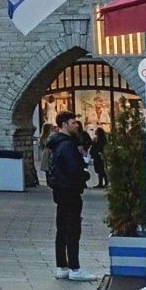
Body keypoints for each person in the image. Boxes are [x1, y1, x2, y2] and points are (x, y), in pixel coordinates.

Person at [48, 111, 93, 280]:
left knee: (62, 229)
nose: (76, 125)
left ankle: (62, 266)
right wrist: (85, 175)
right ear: (64, 125)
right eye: (73, 123)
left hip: (60, 190)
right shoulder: (67, 145)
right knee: (72, 229)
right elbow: (74, 169)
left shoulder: (58, 143)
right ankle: (75, 268)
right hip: (70, 190)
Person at [38, 120, 56, 185]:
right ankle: (51, 181)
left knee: (47, 168)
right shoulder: (51, 135)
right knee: (51, 167)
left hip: (45, 152)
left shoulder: (43, 136)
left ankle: (48, 181)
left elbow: (41, 146)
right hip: (50, 152)